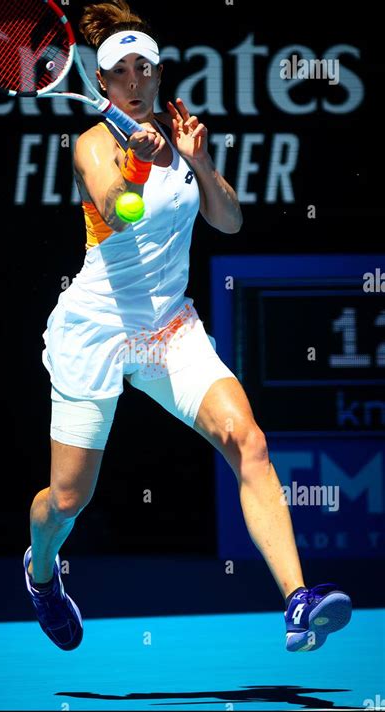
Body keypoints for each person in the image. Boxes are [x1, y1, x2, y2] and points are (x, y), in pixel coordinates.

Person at [23, 0, 351, 653]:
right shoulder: (93, 144)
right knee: (65, 502)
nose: (142, 80)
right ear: (104, 82)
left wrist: (197, 161)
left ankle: (297, 600)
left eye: (149, 67)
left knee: (247, 440)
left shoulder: (174, 134)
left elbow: (228, 220)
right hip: (98, 329)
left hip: (171, 327)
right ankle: (39, 573)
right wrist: (139, 162)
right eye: (127, 71)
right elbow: (117, 210)